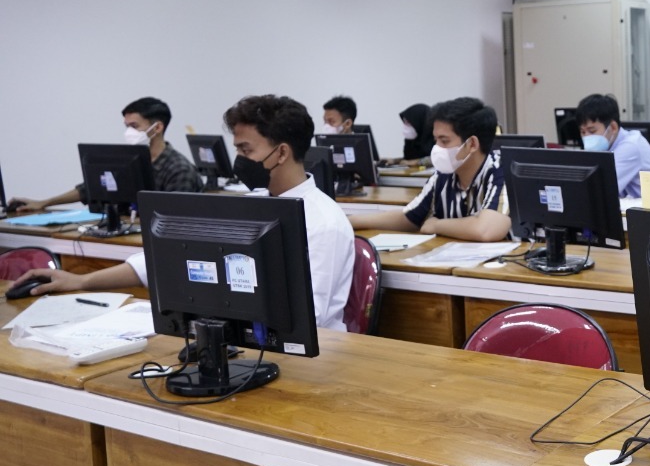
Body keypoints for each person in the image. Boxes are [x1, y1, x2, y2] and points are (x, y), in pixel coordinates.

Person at [14, 95, 355, 331]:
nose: (238, 159)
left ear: (281, 153)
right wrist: (81, 281)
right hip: (242, 343)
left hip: (310, 364)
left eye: (245, 149)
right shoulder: (250, 205)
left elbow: (309, 318)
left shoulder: (323, 223)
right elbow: (167, 255)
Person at [349, 97, 509, 242]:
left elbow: (486, 229)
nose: (437, 148)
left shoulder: (501, 171)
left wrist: (436, 225)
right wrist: (351, 221)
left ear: (472, 144)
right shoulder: (443, 175)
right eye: (435, 140)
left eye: (444, 141)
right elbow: (410, 217)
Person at [10, 97, 202, 213]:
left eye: (134, 126)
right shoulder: (129, 160)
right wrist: (44, 203)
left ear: (157, 128)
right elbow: (90, 188)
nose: (129, 132)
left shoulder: (179, 169)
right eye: (126, 126)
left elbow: (175, 219)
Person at [576, 94, 650, 200]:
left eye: (592, 131)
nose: (586, 137)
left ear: (613, 127)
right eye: (583, 132)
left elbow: (600, 191)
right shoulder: (608, 148)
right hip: (640, 207)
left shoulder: (631, 146)